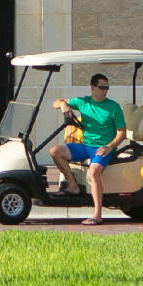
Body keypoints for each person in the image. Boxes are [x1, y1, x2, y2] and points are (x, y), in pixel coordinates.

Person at [54, 71, 128, 224]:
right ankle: (73, 185)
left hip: (104, 148)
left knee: (93, 171)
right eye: (102, 87)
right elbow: (57, 101)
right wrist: (63, 104)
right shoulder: (83, 102)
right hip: (86, 146)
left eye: (107, 88)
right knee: (55, 151)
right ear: (93, 87)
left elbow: (122, 133)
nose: (105, 91)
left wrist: (110, 146)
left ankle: (97, 214)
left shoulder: (113, 107)